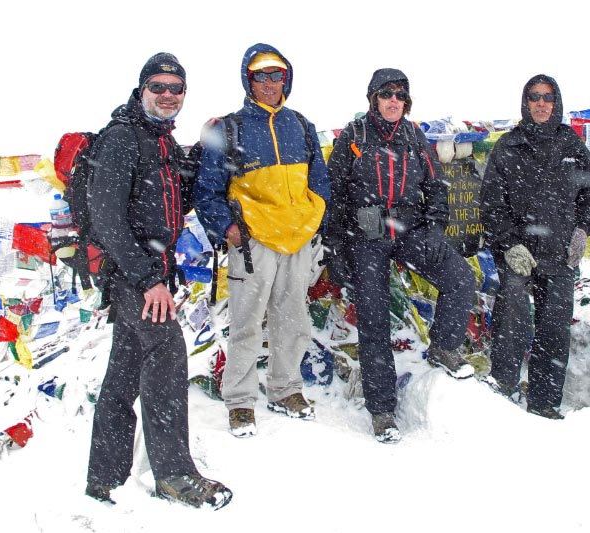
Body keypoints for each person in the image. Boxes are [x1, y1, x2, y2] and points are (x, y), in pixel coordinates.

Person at [85, 53, 232, 509]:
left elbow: (178, 197)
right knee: (168, 357)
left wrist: (207, 148)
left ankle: (103, 479)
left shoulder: (161, 141)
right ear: (142, 89)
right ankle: (174, 475)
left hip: (146, 272)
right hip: (135, 274)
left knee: (123, 376)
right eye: (159, 87)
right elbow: (107, 219)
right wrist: (148, 278)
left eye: (176, 89)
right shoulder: (122, 139)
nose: (168, 95)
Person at [325, 68, 476, 443]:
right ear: (373, 98)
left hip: (409, 228)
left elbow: (436, 186)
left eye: (400, 95)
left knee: (460, 277)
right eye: (386, 94)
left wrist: (438, 225)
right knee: (374, 320)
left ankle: (443, 347)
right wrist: (337, 248)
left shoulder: (414, 136)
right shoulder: (354, 137)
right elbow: (333, 197)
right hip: (366, 235)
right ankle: (382, 410)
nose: (394, 100)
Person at [194, 44, 330, 438]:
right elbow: (207, 189)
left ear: (286, 78)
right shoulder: (229, 128)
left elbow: (319, 179)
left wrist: (316, 217)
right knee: (247, 323)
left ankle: (285, 390)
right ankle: (239, 400)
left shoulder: (300, 125)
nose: (270, 83)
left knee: (294, 320)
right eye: (261, 76)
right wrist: (227, 229)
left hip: (298, 239)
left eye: (276, 75)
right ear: (247, 79)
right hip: (252, 242)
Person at [479, 74, 590, 420]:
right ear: (525, 102)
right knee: (513, 319)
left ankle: (544, 404)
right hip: (518, 252)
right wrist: (509, 244)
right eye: (534, 96)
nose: (541, 103)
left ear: (557, 102)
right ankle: (502, 392)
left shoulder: (571, 145)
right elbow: (491, 202)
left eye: (547, 97)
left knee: (554, 328)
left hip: (560, 253)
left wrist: (583, 229)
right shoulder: (509, 146)